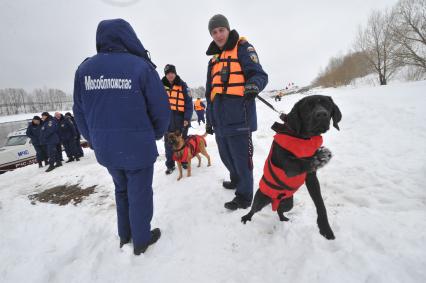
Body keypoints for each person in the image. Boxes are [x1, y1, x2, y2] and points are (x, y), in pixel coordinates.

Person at [72, 19, 170, 255]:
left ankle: (125, 235)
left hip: (106, 149)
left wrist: (93, 139)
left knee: (121, 190)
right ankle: (141, 240)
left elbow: (79, 111)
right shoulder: (140, 67)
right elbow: (161, 109)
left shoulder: (84, 70)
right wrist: (154, 134)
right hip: (137, 147)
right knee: (140, 193)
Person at [205, 14, 268, 210]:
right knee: (226, 156)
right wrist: (209, 119)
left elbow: (259, 75)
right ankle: (236, 180)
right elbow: (209, 93)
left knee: (241, 159)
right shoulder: (213, 60)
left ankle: (244, 196)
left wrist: (253, 86)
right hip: (219, 119)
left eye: (221, 30)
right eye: (214, 32)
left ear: (228, 29)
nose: (218, 35)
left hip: (239, 115)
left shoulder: (243, 48)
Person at [161, 64, 193, 175]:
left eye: (172, 73)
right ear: (166, 74)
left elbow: (189, 103)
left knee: (182, 141)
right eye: (168, 73)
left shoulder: (183, 85)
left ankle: (184, 161)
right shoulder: (160, 86)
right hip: (167, 120)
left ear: (175, 73)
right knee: (168, 143)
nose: (170, 75)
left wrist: (187, 118)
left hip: (181, 119)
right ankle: (170, 165)